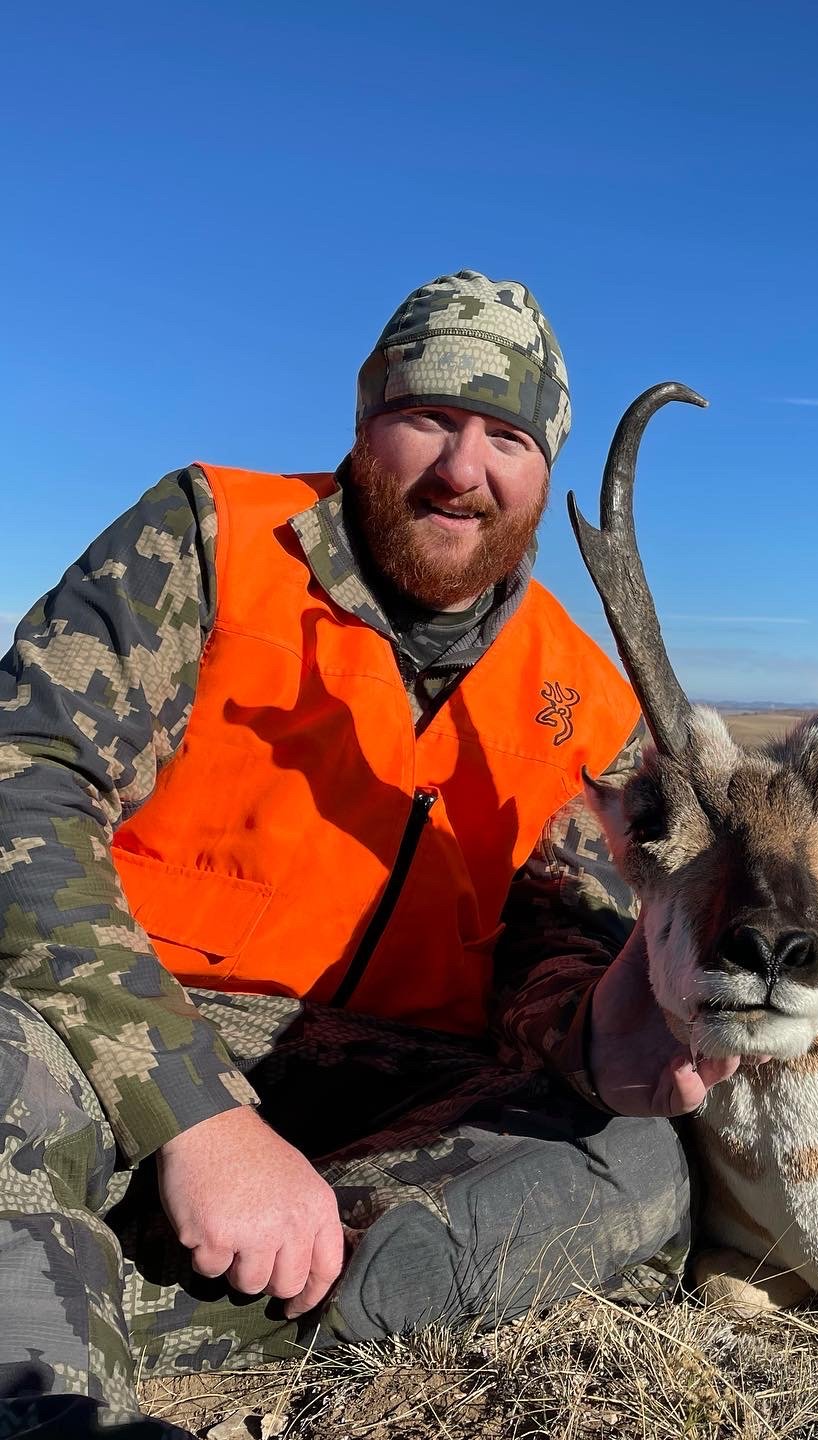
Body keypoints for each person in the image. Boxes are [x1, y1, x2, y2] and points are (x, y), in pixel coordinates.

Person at [0, 271, 739, 1438]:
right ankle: (52, 1396)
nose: (464, 467)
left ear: (543, 470)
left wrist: (595, 1030)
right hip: (118, 1039)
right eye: (432, 417)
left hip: (380, 1090)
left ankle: (113, 1290)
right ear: (365, 417)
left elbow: (554, 940)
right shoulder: (211, 537)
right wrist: (196, 1116)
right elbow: (24, 789)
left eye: (506, 435)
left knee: (636, 1164)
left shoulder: (585, 699)